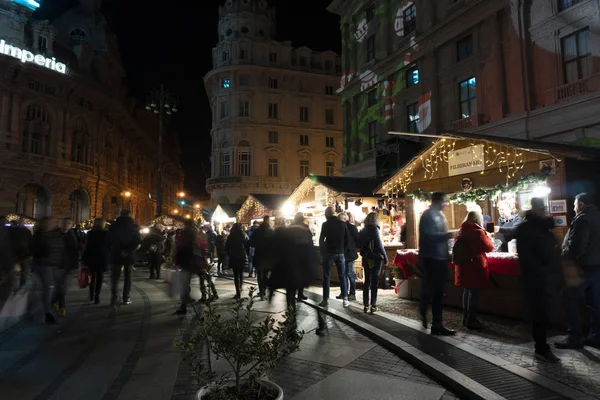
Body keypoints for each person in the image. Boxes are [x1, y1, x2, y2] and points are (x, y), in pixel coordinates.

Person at [516, 197, 562, 362]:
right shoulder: (526, 229)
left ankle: (541, 345)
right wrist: (543, 271)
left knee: (545, 313)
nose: (544, 211)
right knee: (539, 314)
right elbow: (527, 257)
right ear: (536, 209)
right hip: (536, 280)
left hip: (547, 278)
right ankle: (541, 348)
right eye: (541, 208)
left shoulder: (543, 228)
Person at [557, 192, 600, 349]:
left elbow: (576, 246)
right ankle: (596, 336)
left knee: (568, 298)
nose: (573, 208)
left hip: (583, 267)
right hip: (597, 267)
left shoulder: (582, 219)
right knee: (595, 303)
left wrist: (565, 258)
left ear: (581, 205)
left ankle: (575, 337)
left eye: (574, 205)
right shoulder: (597, 216)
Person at [418, 192, 456, 336]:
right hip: (431, 257)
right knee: (435, 290)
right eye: (446, 201)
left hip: (440, 257)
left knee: (438, 291)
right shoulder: (428, 215)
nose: (447, 204)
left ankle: (436, 322)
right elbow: (427, 236)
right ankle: (432, 318)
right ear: (439, 201)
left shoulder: (440, 215)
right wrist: (448, 235)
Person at [453, 211, 494, 329]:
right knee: (473, 293)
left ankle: (466, 318)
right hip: (474, 266)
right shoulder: (478, 232)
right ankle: (471, 319)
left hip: (463, 266)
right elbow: (489, 247)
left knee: (466, 291)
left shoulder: (461, 231)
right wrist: (489, 237)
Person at [32, 217, 65, 324]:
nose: (52, 224)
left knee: (57, 288)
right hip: (44, 265)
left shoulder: (53, 234)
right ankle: (47, 312)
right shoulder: (39, 235)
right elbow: (36, 250)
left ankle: (47, 306)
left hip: (54, 264)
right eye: (49, 223)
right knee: (49, 288)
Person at [108, 210, 141, 308]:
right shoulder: (134, 227)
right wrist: (127, 251)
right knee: (128, 277)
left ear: (120, 215)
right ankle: (126, 297)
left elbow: (110, 240)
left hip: (116, 254)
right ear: (130, 215)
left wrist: (118, 250)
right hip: (129, 255)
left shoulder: (113, 226)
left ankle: (114, 298)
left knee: (115, 278)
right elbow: (137, 241)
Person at [319, 207, 350, 308]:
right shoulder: (342, 224)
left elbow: (321, 239)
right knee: (342, 276)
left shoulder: (325, 224)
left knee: (326, 276)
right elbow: (347, 239)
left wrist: (323, 251)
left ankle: (325, 300)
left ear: (327, 214)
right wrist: (343, 250)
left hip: (329, 253)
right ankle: (345, 299)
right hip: (340, 253)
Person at [358, 212, 388, 314]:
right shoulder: (375, 229)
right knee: (375, 282)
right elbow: (379, 245)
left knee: (367, 281)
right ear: (376, 219)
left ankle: (366, 305)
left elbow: (359, 243)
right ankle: (373, 306)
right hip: (376, 258)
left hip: (366, 258)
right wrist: (386, 258)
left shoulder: (363, 229)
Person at [54, 218, 79, 316]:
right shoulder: (55, 234)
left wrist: (75, 265)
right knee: (60, 287)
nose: (66, 225)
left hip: (67, 265)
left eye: (68, 223)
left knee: (63, 288)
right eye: (64, 223)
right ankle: (62, 307)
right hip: (57, 264)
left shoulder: (72, 235)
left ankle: (52, 303)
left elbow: (74, 252)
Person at [82, 218, 110, 304]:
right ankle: (97, 295)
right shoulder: (106, 234)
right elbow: (109, 246)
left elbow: (86, 245)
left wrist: (84, 257)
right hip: (101, 257)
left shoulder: (90, 233)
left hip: (91, 256)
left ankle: (91, 295)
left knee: (92, 277)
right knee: (100, 277)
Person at [249, 216, 274, 300]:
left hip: (259, 255)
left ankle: (261, 292)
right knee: (266, 274)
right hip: (268, 256)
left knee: (260, 275)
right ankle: (264, 291)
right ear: (268, 220)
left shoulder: (257, 231)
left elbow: (251, 242)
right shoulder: (271, 231)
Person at [338, 212, 358, 301]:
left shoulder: (342, 228)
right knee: (348, 274)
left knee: (346, 274)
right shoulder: (352, 227)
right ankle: (348, 293)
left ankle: (348, 293)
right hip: (349, 253)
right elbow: (357, 240)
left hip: (346, 253)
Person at [225, 223, 249, 299]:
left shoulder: (231, 236)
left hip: (234, 256)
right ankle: (241, 287)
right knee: (241, 273)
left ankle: (237, 292)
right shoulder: (243, 235)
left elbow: (227, 247)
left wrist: (230, 254)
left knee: (236, 276)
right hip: (242, 256)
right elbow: (248, 245)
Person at [8, 218, 32, 289]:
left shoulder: (11, 231)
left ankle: (14, 285)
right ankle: (21, 285)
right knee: (23, 270)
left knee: (14, 270)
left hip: (17, 254)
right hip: (22, 254)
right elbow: (30, 243)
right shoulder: (26, 231)